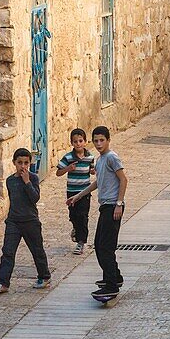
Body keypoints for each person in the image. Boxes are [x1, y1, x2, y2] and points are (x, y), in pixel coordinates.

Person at [67, 126, 127, 298]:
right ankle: (114, 276)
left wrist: (119, 204)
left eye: (102, 140)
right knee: (99, 244)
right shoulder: (100, 160)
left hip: (112, 207)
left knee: (105, 247)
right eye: (96, 141)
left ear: (108, 140)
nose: (99, 143)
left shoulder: (112, 158)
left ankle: (111, 285)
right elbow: (97, 183)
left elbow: (123, 179)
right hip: (105, 206)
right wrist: (77, 196)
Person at [0, 148, 52, 294]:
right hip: (14, 221)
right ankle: (3, 282)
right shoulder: (10, 181)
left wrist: (27, 182)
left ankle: (44, 276)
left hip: (30, 221)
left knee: (37, 250)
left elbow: (35, 198)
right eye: (20, 163)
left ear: (30, 163)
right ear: (14, 163)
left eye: (26, 163)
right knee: (8, 252)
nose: (23, 166)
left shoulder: (33, 178)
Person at [56, 128, 95, 255]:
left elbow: (92, 170)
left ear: (85, 141)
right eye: (75, 141)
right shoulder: (68, 157)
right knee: (73, 216)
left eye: (80, 141)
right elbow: (58, 172)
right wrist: (68, 168)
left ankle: (81, 242)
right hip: (72, 192)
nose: (78, 144)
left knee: (83, 216)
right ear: (71, 143)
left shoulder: (90, 157)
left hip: (84, 192)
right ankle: (75, 228)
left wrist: (93, 171)